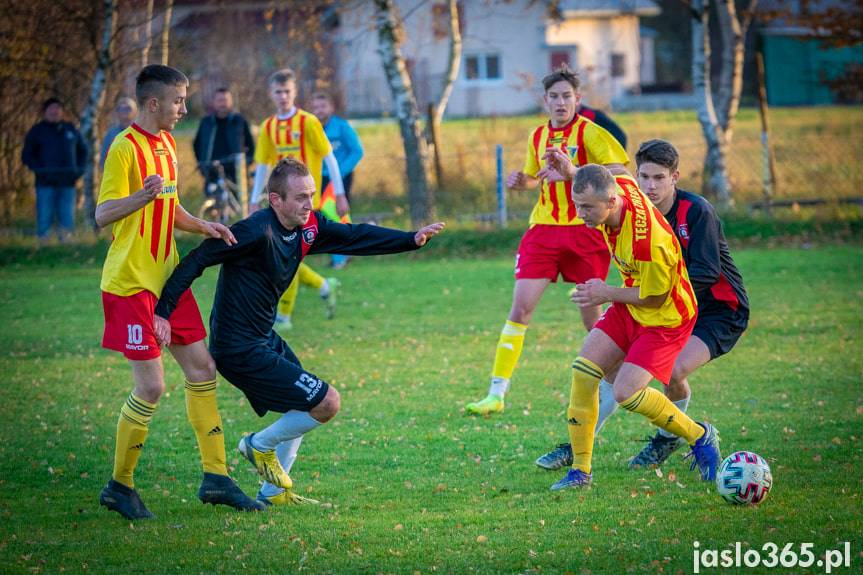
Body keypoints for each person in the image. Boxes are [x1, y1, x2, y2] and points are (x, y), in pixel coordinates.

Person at [153, 157, 444, 506]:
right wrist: (163, 312)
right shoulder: (254, 231)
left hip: (263, 338)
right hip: (237, 348)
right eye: (300, 197)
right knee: (326, 402)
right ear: (276, 200)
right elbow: (198, 259)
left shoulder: (309, 228)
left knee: (306, 403)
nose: (309, 203)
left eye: (311, 195)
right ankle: (258, 445)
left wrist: (410, 239)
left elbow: (355, 236)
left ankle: (273, 493)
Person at [95, 64, 263, 520]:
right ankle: (119, 486)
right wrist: (140, 199)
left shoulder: (169, 144)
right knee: (151, 387)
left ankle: (217, 477)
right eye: (178, 101)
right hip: (130, 284)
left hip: (169, 279)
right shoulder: (124, 148)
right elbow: (103, 214)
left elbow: (169, 207)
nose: (184, 108)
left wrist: (200, 224)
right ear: (154, 103)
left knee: (203, 368)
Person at [535, 139, 748, 471]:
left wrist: (614, 293)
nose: (650, 186)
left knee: (671, 371)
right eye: (644, 177)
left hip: (715, 308)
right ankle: (579, 446)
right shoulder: (623, 198)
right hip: (653, 304)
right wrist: (575, 173)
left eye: (659, 178)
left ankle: (673, 437)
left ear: (674, 177)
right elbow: (610, 179)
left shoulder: (694, 212)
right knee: (603, 368)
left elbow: (705, 273)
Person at [465, 66, 629, 416]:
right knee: (521, 308)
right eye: (553, 96)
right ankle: (496, 394)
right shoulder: (537, 135)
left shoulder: (590, 133)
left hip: (585, 231)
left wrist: (575, 174)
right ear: (545, 101)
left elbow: (622, 172)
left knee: (591, 318)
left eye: (566, 96)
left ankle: (618, 385)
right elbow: (536, 179)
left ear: (577, 100)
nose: (560, 102)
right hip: (543, 230)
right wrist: (519, 181)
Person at [251, 69, 347, 329]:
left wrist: (339, 193)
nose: (282, 96)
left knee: (287, 257)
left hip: (306, 205)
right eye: (278, 92)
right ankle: (324, 285)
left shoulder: (308, 122)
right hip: (281, 205)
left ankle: (284, 316)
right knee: (285, 257)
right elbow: (262, 165)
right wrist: (252, 200)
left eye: (287, 92)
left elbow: (329, 157)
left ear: (294, 93)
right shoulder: (269, 126)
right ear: (271, 94)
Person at [311, 91, 365, 269]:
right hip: (319, 178)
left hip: (340, 177)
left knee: (334, 213)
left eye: (323, 106)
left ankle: (341, 257)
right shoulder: (312, 128)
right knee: (323, 216)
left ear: (331, 107)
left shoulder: (342, 127)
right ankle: (340, 254)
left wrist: (339, 173)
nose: (319, 110)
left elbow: (357, 151)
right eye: (316, 107)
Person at [21, 97, 87, 242]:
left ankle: (67, 244)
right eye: (51, 108)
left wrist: (78, 171)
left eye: (57, 108)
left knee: (67, 215)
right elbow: (27, 156)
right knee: (45, 214)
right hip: (45, 183)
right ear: (45, 112)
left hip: (68, 182)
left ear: (62, 111)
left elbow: (83, 151)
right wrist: (41, 171)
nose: (54, 111)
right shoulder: (37, 131)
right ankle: (44, 245)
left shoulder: (70, 129)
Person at [192, 87, 254, 199]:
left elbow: (251, 145)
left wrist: (246, 164)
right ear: (214, 102)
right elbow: (197, 144)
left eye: (226, 100)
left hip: (236, 172)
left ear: (231, 101)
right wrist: (202, 165)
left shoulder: (239, 120)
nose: (223, 104)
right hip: (212, 171)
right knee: (213, 205)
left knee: (239, 204)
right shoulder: (206, 122)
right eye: (220, 100)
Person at [100, 97, 138, 169]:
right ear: (117, 112)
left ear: (135, 112)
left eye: (128, 108)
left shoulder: (140, 132)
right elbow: (103, 159)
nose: (125, 111)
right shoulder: (110, 134)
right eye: (121, 108)